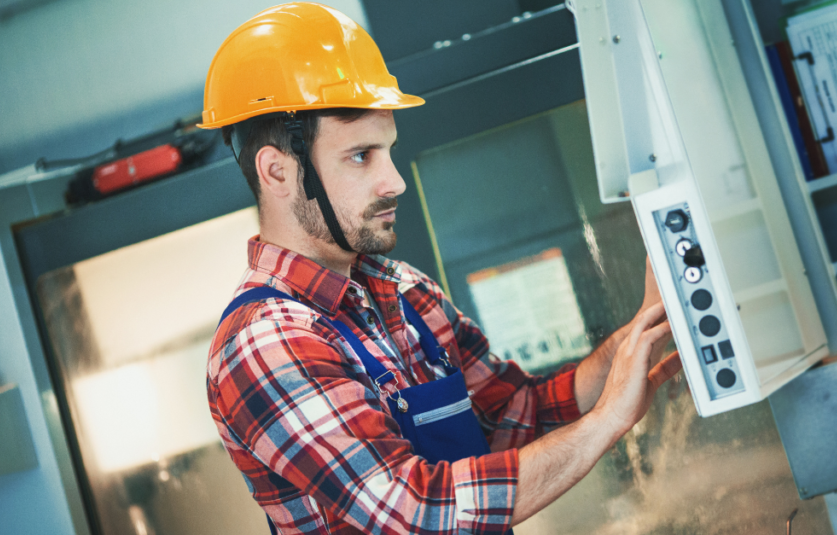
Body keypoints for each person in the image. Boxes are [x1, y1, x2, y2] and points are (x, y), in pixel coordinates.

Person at [201, 3, 681, 534]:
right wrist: (607, 421)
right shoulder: (266, 342)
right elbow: (418, 511)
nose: (394, 181)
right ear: (278, 172)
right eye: (361, 156)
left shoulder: (405, 292)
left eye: (388, 151)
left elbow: (514, 415)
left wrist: (642, 332)